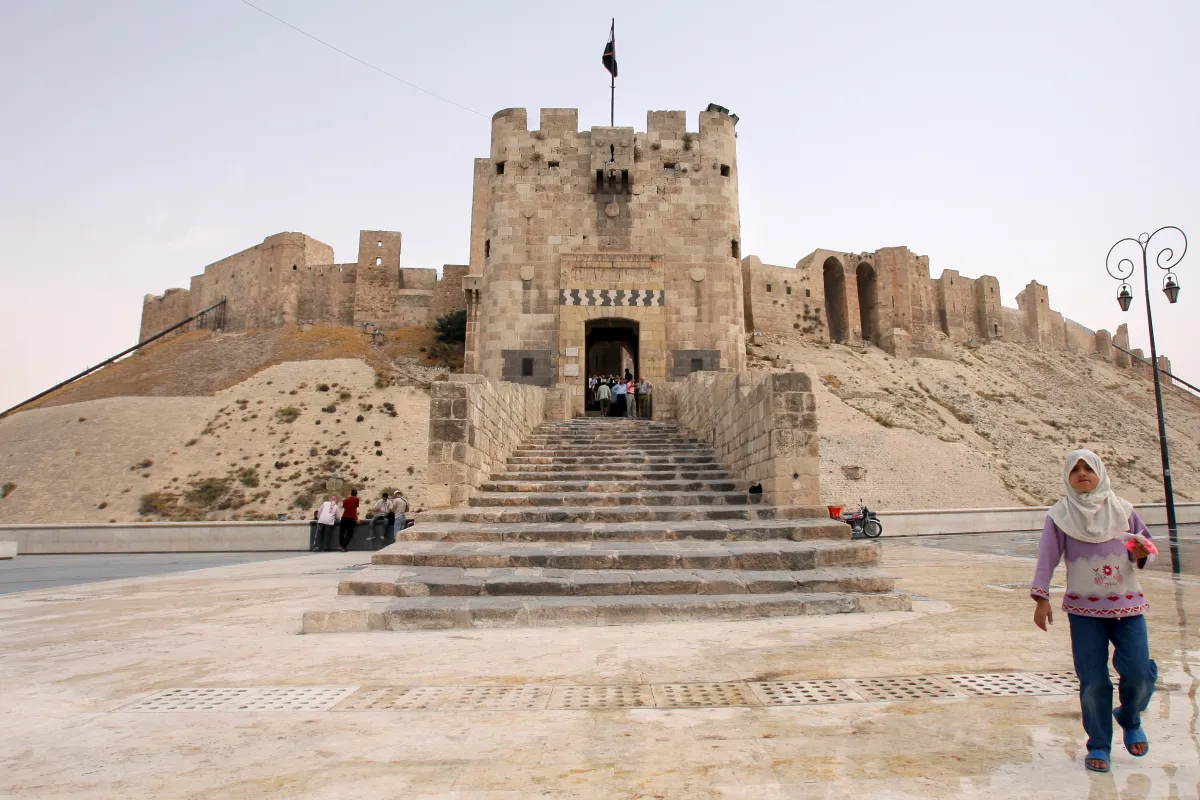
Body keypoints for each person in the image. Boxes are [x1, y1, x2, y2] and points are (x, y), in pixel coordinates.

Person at [1031, 449, 1157, 774]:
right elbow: (1047, 557)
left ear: (1100, 472)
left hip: (1128, 606)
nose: (1083, 473)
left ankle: (1129, 717)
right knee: (1093, 681)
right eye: (1076, 469)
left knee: (1140, 672)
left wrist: (1141, 552)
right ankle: (1099, 743)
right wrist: (1041, 597)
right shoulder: (1060, 515)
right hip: (1084, 611)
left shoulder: (1124, 510)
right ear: (1067, 476)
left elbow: (1145, 546)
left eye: (1089, 468)